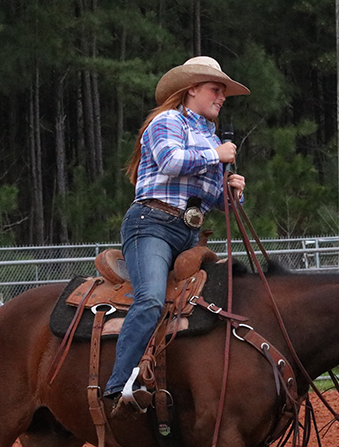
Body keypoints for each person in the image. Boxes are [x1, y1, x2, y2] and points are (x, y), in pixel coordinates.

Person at [103, 56, 249, 413]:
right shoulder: (166, 121)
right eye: (216, 89)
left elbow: (218, 203)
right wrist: (214, 155)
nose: (222, 97)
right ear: (192, 89)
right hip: (151, 224)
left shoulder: (209, 137)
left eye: (224, 92)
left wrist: (234, 192)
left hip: (191, 233)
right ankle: (119, 382)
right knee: (151, 298)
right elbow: (169, 161)